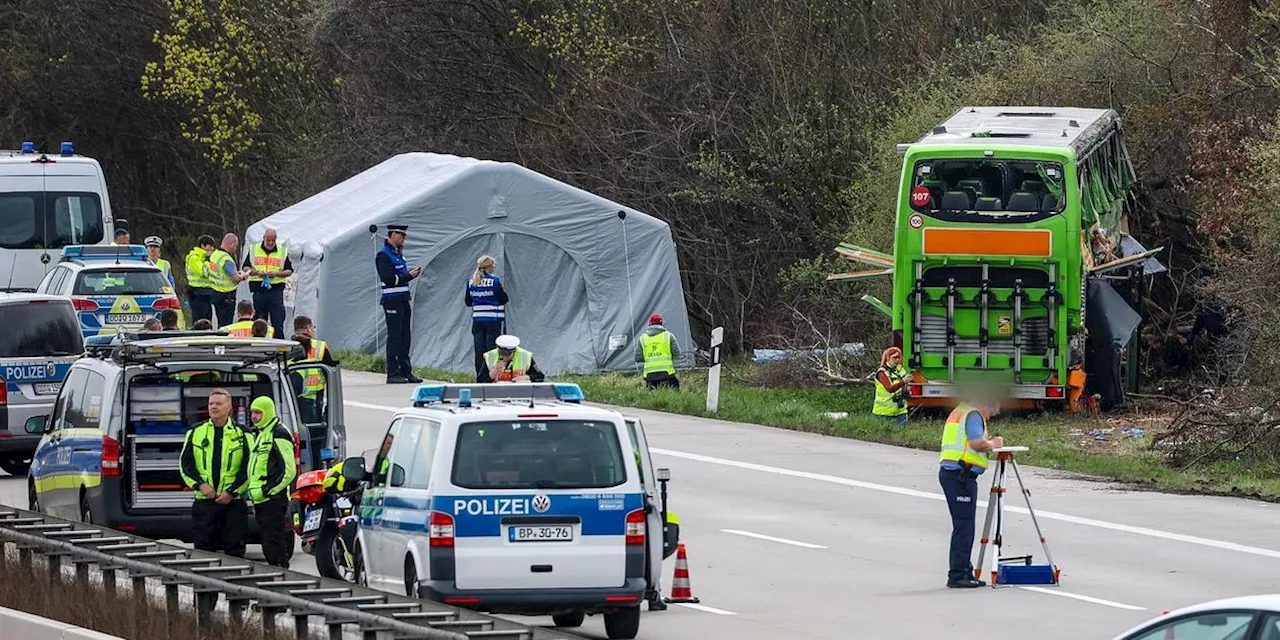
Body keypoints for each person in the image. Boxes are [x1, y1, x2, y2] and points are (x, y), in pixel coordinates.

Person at [938, 397, 1005, 589]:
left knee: (964, 525)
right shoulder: (974, 415)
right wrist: (993, 444)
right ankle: (958, 574)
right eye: (991, 414)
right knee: (964, 526)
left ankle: (964, 569)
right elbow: (976, 443)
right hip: (960, 475)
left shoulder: (962, 411)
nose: (990, 418)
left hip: (956, 474)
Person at [179, 388, 251, 557]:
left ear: (229, 407)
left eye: (218, 404)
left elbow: (249, 467)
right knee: (203, 553)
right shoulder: (196, 432)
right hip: (205, 502)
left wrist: (232, 492)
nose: (213, 407)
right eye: (211, 403)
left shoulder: (243, 434)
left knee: (234, 552)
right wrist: (200, 485)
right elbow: (185, 464)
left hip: (232, 503)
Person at [246, 396, 297, 568]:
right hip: (261, 499)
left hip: (273, 499)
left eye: (258, 413)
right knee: (269, 544)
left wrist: (269, 490)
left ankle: (281, 577)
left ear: (267, 412)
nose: (254, 416)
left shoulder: (278, 433)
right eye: (252, 412)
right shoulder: (262, 433)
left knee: (275, 544)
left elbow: (289, 470)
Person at [374, 224, 422, 384]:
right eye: (401, 235)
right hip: (392, 301)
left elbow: (399, 275)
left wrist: (407, 275)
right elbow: (388, 278)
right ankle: (393, 373)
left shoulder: (398, 254)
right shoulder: (384, 255)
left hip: (403, 299)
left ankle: (406, 370)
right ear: (392, 235)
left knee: (405, 337)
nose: (403, 238)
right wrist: (408, 276)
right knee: (394, 337)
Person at [243, 228, 293, 340]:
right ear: (263, 238)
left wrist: (277, 274)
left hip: (275, 291)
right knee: (259, 322)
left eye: (273, 240)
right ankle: (259, 344)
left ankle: (279, 346)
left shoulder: (282, 251)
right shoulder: (254, 249)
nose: (270, 243)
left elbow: (289, 271)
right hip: (259, 290)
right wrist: (256, 272)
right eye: (268, 240)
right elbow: (245, 267)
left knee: (277, 321)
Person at [464, 255, 508, 378]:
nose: (495, 267)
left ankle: (480, 376)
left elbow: (468, 302)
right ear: (489, 267)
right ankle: (491, 376)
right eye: (493, 265)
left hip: (477, 321)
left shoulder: (471, 281)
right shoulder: (495, 281)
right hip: (493, 320)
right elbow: (504, 299)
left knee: (479, 350)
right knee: (492, 350)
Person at [291, 315, 338, 424]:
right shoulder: (319, 346)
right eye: (313, 328)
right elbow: (330, 372)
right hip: (313, 395)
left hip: (291, 393)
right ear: (308, 328)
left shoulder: (288, 346)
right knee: (313, 428)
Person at [208, 233, 249, 328]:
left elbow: (222, 272)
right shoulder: (227, 259)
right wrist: (243, 276)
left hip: (216, 293)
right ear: (232, 243)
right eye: (236, 246)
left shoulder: (215, 255)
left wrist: (235, 272)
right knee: (226, 325)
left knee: (219, 323)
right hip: (226, 296)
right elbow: (235, 278)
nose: (236, 248)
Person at [635, 313, 681, 390]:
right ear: (661, 323)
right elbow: (677, 353)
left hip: (649, 375)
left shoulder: (642, 338)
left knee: (650, 396)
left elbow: (638, 357)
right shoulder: (669, 336)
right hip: (667, 373)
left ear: (650, 324)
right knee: (675, 390)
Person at [479, 334, 545, 383]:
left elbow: (540, 377)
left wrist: (526, 377)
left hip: (519, 393)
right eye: (502, 354)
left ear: (514, 351)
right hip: (496, 394)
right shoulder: (490, 356)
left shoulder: (525, 356)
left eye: (508, 354)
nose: (505, 357)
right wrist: (491, 374)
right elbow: (480, 381)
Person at [873, 347, 909, 425]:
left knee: (902, 434)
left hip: (900, 410)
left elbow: (905, 385)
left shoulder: (900, 370)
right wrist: (903, 382)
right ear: (887, 358)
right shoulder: (882, 372)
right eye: (894, 358)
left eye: (899, 357)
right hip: (883, 412)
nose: (897, 360)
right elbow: (889, 388)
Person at [186, 235, 217, 324]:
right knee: (199, 321)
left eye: (213, 247)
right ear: (203, 246)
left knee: (208, 320)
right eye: (210, 246)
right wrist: (208, 259)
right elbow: (204, 272)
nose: (212, 249)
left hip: (207, 293)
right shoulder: (193, 258)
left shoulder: (205, 258)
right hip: (198, 293)